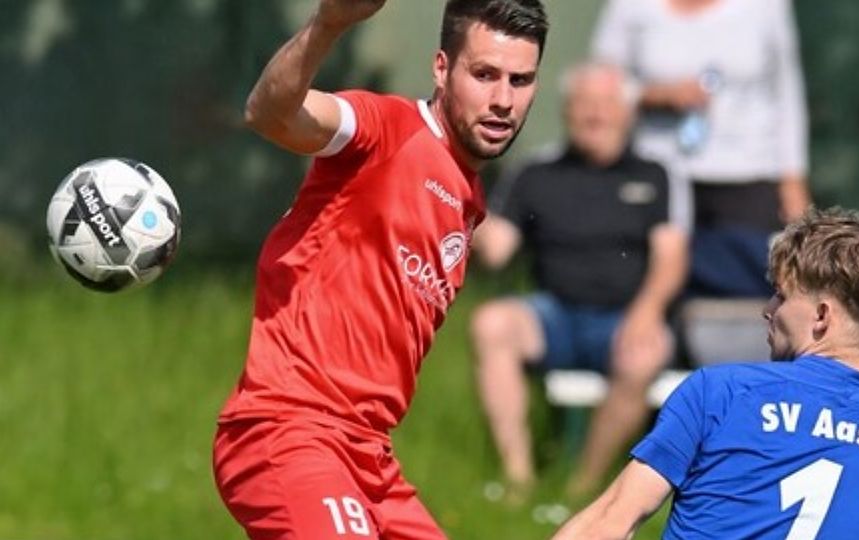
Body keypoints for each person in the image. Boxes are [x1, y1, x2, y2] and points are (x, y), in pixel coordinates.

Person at [211, 1, 549, 539]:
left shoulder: (469, 198)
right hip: (290, 431)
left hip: (368, 458)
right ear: (442, 68)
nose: (503, 100)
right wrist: (330, 24)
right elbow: (269, 113)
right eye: (484, 75)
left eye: (520, 80)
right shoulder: (387, 130)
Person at [552, 207, 859, 540]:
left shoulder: (722, 393)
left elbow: (611, 521)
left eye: (782, 295)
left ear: (822, 316)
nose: (768, 309)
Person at [470, 61, 689, 500]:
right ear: (567, 112)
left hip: (625, 319)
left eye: (606, 104)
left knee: (647, 351)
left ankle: (582, 486)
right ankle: (518, 479)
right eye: (584, 105)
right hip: (554, 315)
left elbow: (671, 259)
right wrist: (457, 180)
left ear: (628, 113)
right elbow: (497, 250)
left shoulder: (656, 174)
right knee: (490, 323)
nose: (595, 115)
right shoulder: (535, 173)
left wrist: (646, 315)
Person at [592, 0, 810, 298]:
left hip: (748, 176)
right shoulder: (629, 7)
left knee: (757, 294)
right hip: (661, 176)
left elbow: (787, 92)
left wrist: (793, 180)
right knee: (656, 291)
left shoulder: (767, 6)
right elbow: (602, 83)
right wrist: (658, 94)